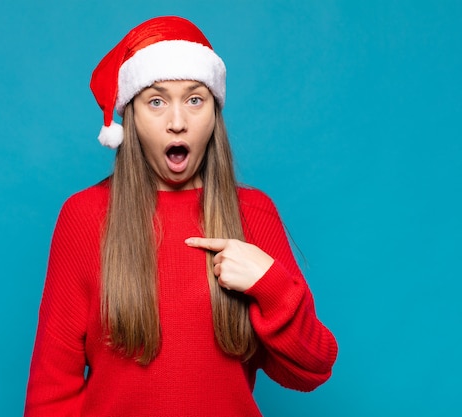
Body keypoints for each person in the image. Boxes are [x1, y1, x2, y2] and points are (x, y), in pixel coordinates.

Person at [24, 16, 338, 417]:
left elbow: (312, 369)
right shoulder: (84, 216)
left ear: (214, 114)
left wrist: (270, 285)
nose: (177, 122)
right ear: (131, 115)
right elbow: (52, 391)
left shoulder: (254, 214)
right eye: (156, 101)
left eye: (194, 100)